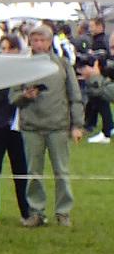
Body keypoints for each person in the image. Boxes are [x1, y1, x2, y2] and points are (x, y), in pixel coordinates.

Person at [15, 24, 84, 227]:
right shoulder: (23, 67)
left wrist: (77, 124)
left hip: (58, 126)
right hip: (31, 127)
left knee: (61, 171)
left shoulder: (62, 64)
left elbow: (75, 96)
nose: (38, 44)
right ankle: (37, 212)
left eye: (42, 40)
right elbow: (13, 97)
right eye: (34, 40)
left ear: (49, 41)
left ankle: (63, 212)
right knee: (33, 172)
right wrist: (24, 96)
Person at [0, 34, 33, 226]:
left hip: (18, 127)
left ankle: (26, 212)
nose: (7, 52)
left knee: (21, 171)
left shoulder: (25, 73)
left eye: (11, 48)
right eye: (4, 48)